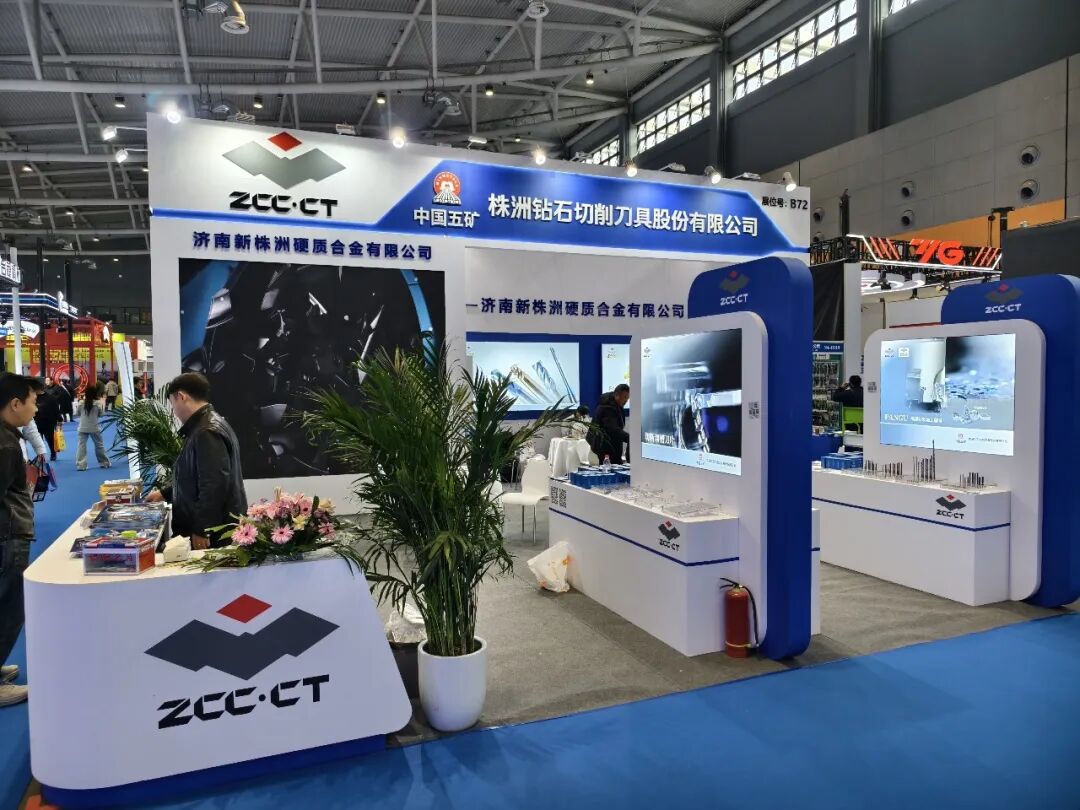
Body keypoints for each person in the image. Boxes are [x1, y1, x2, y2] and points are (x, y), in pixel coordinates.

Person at [145, 373, 246, 550]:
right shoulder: (206, 425)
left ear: (181, 397)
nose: (174, 411)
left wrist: (202, 528)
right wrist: (166, 493)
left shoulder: (206, 431)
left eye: (172, 403)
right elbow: (194, 476)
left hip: (213, 533)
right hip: (214, 526)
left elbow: (214, 485)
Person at [0, 374, 38, 707]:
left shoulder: (8, 437)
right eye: (32, 402)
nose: (35, 409)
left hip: (10, 532)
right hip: (8, 536)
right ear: (15, 404)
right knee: (9, 607)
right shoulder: (6, 444)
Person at [590, 383, 631, 465]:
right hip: (606, 448)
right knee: (609, 470)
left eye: (628, 398)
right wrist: (629, 437)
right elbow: (613, 429)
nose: (626, 400)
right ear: (616, 395)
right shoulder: (608, 408)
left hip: (611, 446)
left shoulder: (615, 404)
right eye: (624, 397)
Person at [76, 386, 111, 472]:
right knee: (99, 445)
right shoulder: (98, 403)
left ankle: (81, 465)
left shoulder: (81, 403)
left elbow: (78, 413)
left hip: (82, 427)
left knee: (81, 446)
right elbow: (101, 414)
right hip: (94, 427)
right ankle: (104, 463)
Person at [34, 379, 62, 461]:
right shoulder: (33, 398)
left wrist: (59, 420)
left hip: (49, 423)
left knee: (50, 439)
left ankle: (53, 453)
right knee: (38, 441)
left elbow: (56, 409)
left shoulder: (50, 398)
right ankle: (40, 456)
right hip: (37, 422)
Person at [21, 378, 47, 465]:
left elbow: (31, 429)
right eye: (33, 402)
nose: (36, 409)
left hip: (20, 460)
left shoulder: (24, 411)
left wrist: (40, 450)